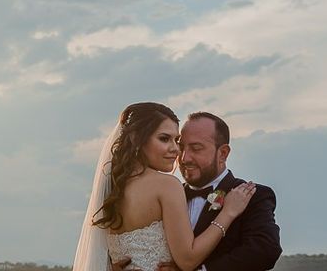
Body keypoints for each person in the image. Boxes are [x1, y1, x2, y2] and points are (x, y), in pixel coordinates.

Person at [72, 103, 257, 271]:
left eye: (175, 140)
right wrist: (228, 213)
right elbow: (187, 260)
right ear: (138, 139)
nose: (176, 150)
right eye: (164, 139)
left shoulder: (113, 189)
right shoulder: (167, 185)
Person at [114, 111, 282, 271]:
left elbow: (265, 250)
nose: (184, 157)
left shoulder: (251, 195)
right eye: (181, 147)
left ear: (223, 153)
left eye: (196, 148)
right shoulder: (166, 196)